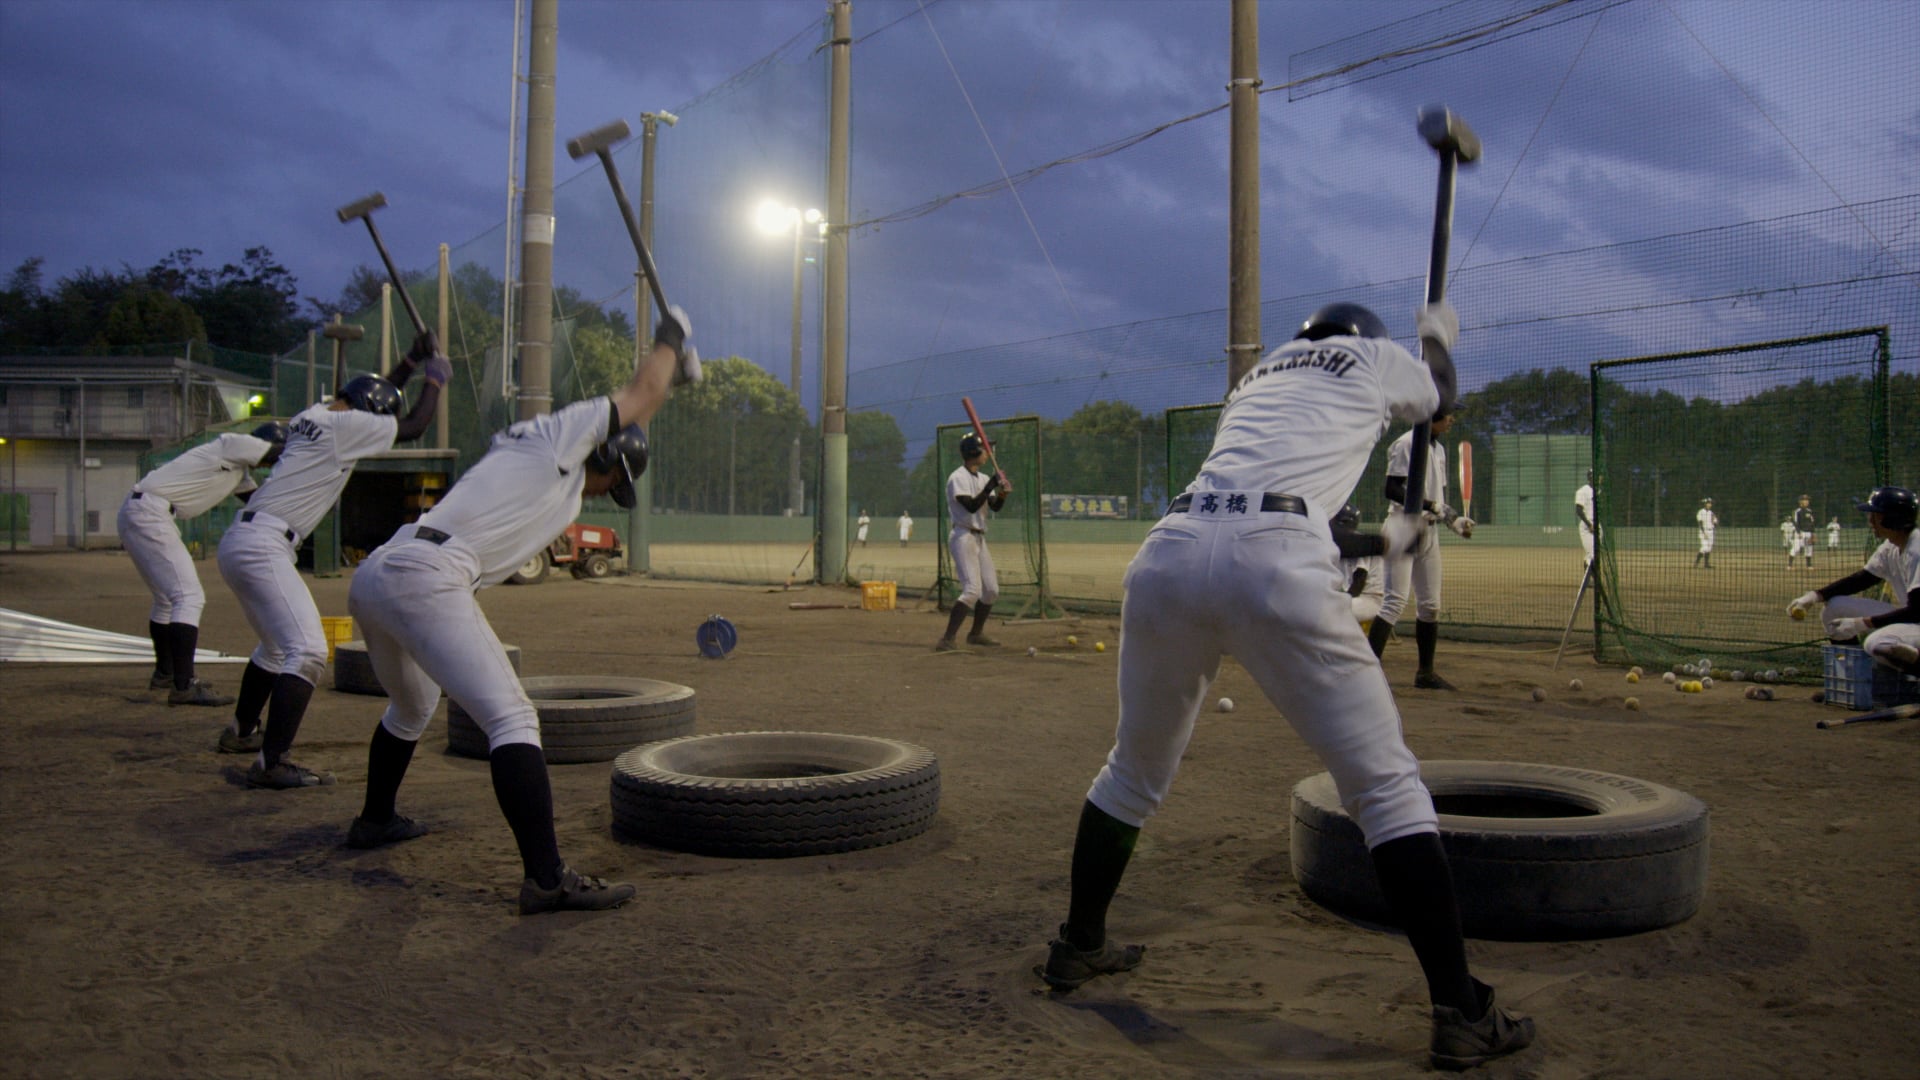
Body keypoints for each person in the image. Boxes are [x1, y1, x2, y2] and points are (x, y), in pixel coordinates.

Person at [1036, 300, 1535, 1071]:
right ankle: (1461, 1009)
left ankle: (1078, 945)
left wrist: (1381, 539)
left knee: (1131, 772)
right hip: (1272, 561)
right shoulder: (1372, 359)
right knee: (1387, 790)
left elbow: (1275, 501)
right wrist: (1437, 338)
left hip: (1171, 550)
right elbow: (1439, 397)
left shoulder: (1258, 376)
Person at [343, 309, 701, 913]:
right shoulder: (560, 438)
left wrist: (672, 385)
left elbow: (646, 404)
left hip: (383, 572)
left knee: (413, 705)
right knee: (513, 720)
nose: (604, 492)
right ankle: (545, 878)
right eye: (612, 480)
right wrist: (672, 338)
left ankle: (374, 821)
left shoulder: (548, 469)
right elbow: (640, 392)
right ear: (605, 456)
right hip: (427, 576)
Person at [215, 332, 448, 786]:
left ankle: (242, 731)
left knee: (278, 646)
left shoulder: (317, 413)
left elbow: (371, 394)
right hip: (263, 545)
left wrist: (411, 360)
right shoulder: (346, 427)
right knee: (306, 650)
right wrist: (435, 380)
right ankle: (271, 763)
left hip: (244, 539)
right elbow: (415, 424)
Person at [119, 422, 287, 706]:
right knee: (189, 596)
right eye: (268, 459)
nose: (268, 463)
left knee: (167, 599)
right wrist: (313, 449)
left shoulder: (238, 471)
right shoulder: (234, 443)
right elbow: (277, 451)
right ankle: (184, 686)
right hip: (150, 512)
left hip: (140, 510)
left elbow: (258, 502)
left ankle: (166, 673)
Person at [1367, 407, 1474, 689]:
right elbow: (1392, 489)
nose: (1452, 420)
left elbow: (1435, 499)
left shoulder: (1438, 450)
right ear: (1432, 416)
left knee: (1430, 606)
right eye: (1448, 414)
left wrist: (1453, 521)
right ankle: (1364, 674)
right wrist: (1433, 506)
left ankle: (1425, 673)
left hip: (1429, 531)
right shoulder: (1406, 444)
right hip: (1404, 526)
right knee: (1394, 601)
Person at [1788, 485, 1919, 673]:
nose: (1870, 521)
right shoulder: (1890, 547)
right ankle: (1855, 678)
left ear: (1892, 518)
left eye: (1875, 515)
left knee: (1877, 643)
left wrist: (1862, 623)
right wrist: (1814, 597)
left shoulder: (1917, 551)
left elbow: (1917, 611)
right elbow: (1862, 579)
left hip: (1916, 620)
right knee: (1835, 608)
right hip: (1912, 622)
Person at [937, 433, 1010, 651]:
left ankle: (976, 634)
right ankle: (947, 639)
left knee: (991, 591)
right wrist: (990, 486)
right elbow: (970, 506)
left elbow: (993, 506)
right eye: (984, 449)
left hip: (979, 537)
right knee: (972, 590)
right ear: (972, 452)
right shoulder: (957, 477)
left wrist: (1003, 493)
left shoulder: (982, 478)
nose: (988, 453)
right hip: (963, 536)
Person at [1333, 503, 1385, 628]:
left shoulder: (1358, 543)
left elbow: (1359, 582)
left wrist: (1341, 601)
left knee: (1335, 612)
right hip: (1357, 598)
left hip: (1371, 599)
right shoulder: (1343, 544)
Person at [1573, 470, 1597, 569]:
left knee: (1593, 553)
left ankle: (1590, 577)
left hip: (1597, 525)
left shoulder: (1599, 491)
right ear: (1589, 477)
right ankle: (1591, 577)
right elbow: (1578, 510)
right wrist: (1589, 524)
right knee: (1592, 553)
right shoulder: (1582, 491)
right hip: (1587, 526)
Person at [1791, 494, 1818, 569]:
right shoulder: (1797, 511)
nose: (1807, 501)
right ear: (1800, 501)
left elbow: (1812, 523)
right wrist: (1798, 532)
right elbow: (1795, 523)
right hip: (1800, 532)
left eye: (1807, 500)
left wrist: (1813, 533)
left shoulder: (1810, 511)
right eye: (1805, 500)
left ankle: (1809, 565)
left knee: (1809, 549)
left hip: (1809, 532)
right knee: (1796, 548)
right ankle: (1789, 565)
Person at [1693, 497, 1717, 569]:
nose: (1710, 504)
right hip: (1704, 531)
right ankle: (1696, 562)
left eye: (1710, 503)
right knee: (1704, 547)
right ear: (1705, 504)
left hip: (1711, 531)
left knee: (1709, 548)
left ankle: (1706, 564)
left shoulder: (1711, 513)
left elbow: (1715, 522)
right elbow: (1700, 523)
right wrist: (1704, 533)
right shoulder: (1701, 512)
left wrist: (1715, 522)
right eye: (1708, 503)